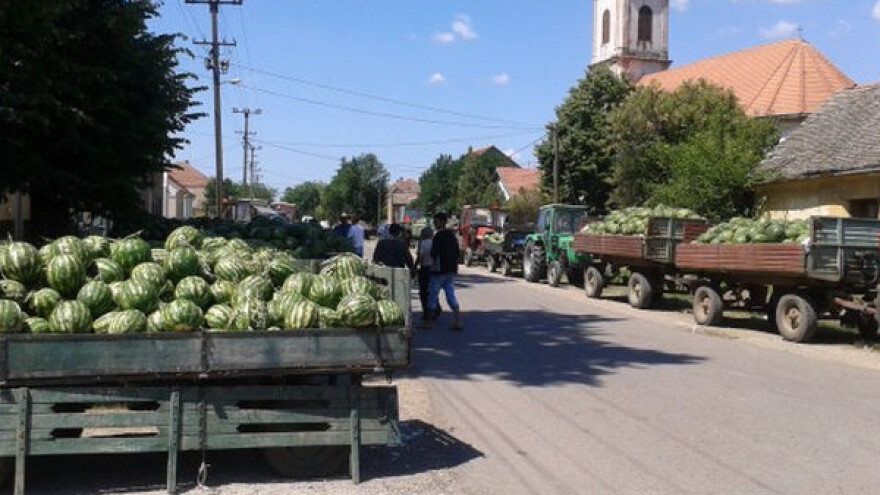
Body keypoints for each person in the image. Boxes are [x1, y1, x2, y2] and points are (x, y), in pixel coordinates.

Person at [426, 212, 462, 330]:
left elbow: (433, 253)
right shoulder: (452, 236)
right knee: (451, 295)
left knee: (432, 295)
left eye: (436, 221)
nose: (435, 224)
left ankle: (429, 322)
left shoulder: (438, 236)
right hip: (450, 270)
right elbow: (457, 253)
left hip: (438, 270)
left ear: (441, 222)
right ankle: (457, 321)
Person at [414, 226, 441, 319]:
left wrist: (415, 266)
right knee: (432, 290)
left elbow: (420, 256)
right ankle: (436, 307)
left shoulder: (423, 243)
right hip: (434, 269)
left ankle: (426, 312)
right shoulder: (435, 243)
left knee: (423, 292)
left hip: (425, 268)